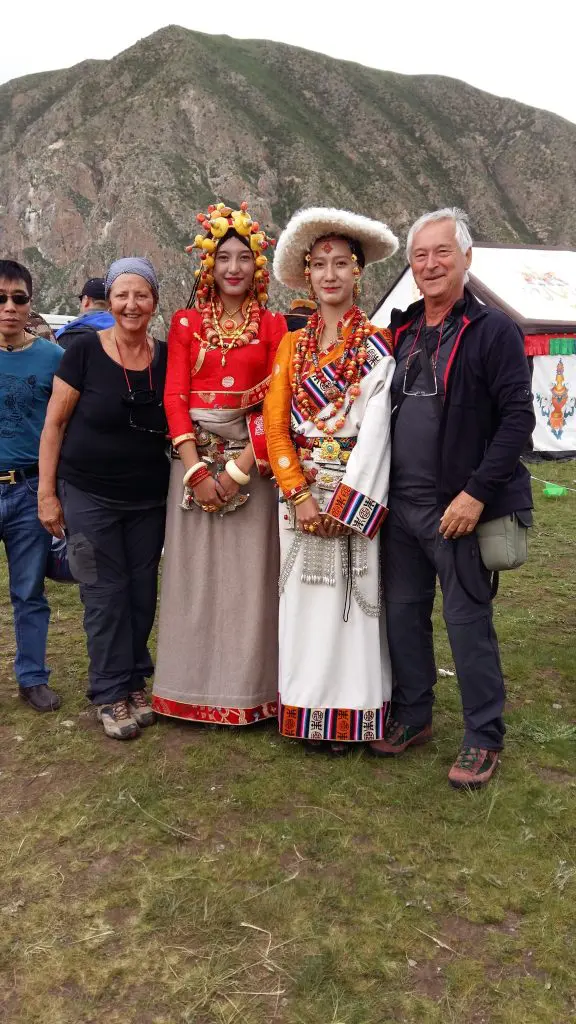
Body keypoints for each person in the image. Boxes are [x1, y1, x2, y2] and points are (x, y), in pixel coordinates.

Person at [377, 207, 535, 788]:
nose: (430, 264)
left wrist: (474, 494)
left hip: (458, 509)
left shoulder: (493, 330)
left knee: (467, 622)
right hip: (401, 506)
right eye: (420, 255)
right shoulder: (403, 330)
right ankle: (415, 715)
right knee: (402, 615)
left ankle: (483, 736)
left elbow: (520, 419)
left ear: (466, 258)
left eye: (442, 252)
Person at [264, 207, 398, 753]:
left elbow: (378, 434)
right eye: (319, 264)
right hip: (298, 495)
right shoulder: (292, 348)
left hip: (352, 487)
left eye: (341, 263)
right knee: (305, 604)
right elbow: (275, 426)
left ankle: (354, 712)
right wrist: (298, 494)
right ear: (307, 274)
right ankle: (307, 711)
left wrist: (347, 504)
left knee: (353, 604)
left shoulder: (377, 346)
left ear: (357, 272)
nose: (330, 274)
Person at [151, 202, 287, 725]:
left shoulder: (274, 326)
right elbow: (174, 397)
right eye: (224, 257)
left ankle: (249, 693)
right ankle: (186, 689)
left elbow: (276, 402)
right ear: (208, 265)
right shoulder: (186, 323)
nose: (234, 268)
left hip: (252, 464)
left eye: (244, 259)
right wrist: (197, 470)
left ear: (257, 268)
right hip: (192, 460)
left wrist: (237, 471)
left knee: (250, 579)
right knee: (192, 575)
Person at [38, 257, 169, 740]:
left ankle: (134, 679)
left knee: (140, 593)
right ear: (108, 300)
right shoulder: (83, 353)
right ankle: (108, 691)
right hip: (88, 493)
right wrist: (47, 495)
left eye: (141, 295)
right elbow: (54, 425)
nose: (131, 304)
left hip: (146, 500)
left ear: (154, 301)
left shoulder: (166, 355)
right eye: (122, 295)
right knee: (102, 594)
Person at [0, 259, 63, 711]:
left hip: (28, 489)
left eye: (18, 299)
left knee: (28, 590)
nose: (9, 308)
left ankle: (32, 677)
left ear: (30, 303)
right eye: (0, 299)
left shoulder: (54, 359)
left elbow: (66, 425)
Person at [55, 278, 114, 345]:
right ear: (111, 303)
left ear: (86, 301)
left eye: (81, 299)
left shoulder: (69, 333)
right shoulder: (122, 331)